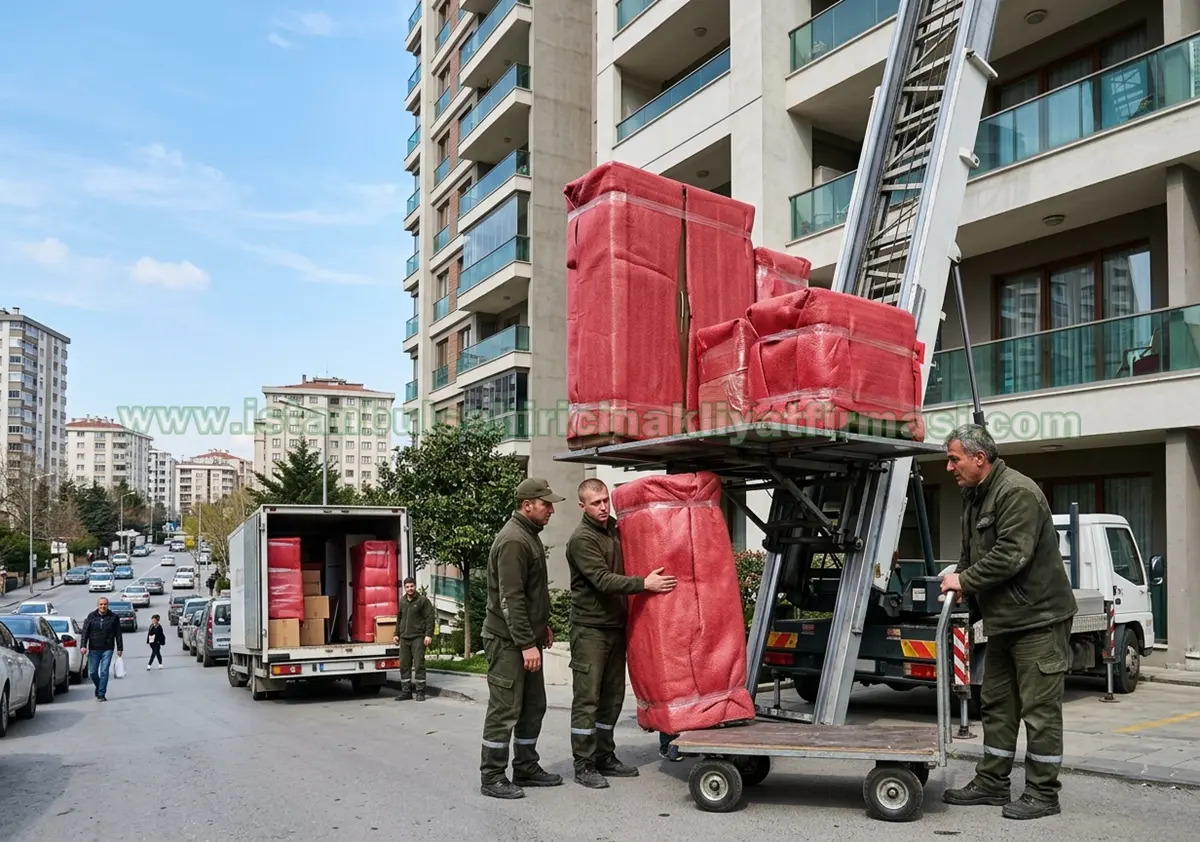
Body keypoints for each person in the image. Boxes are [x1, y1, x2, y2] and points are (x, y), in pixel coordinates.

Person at [939, 424, 1077, 821]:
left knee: (1040, 710)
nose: (949, 467)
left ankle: (1042, 793)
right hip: (1006, 621)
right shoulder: (975, 495)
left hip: (1038, 620)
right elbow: (971, 554)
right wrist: (962, 581)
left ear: (979, 459)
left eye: (954, 459)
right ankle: (993, 782)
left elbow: (1011, 556)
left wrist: (964, 581)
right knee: (998, 704)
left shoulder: (1016, 492)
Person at [566, 478, 677, 788]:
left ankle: (605, 755)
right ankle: (584, 764)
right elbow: (602, 579)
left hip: (615, 626)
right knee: (588, 699)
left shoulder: (614, 529)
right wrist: (644, 584)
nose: (603, 507)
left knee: (612, 698)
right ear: (582, 506)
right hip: (590, 630)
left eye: (605, 500)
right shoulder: (581, 540)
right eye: (595, 503)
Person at [479, 477, 566, 800]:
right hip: (507, 642)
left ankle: (526, 766)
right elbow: (510, 598)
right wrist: (526, 643)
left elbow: (530, 595)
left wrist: (540, 628)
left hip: (524, 638)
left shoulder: (527, 536)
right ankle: (492, 776)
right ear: (526, 505)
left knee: (533, 706)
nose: (551, 510)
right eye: (546, 505)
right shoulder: (514, 540)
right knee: (505, 708)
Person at [392, 576, 435, 701]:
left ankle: (420, 692)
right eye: (407, 587)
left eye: (412, 586)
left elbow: (430, 618)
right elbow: (399, 618)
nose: (410, 589)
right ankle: (406, 692)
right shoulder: (402, 601)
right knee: (404, 666)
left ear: (415, 586)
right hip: (404, 638)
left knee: (418, 665)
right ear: (404, 588)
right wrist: (396, 634)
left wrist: (429, 635)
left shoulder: (423, 601)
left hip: (418, 638)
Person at [79, 596, 124, 701]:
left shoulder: (113, 617)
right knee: (92, 672)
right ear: (97, 605)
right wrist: (83, 645)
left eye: (105, 604)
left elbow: (118, 633)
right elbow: (85, 632)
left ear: (108, 605)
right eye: (101, 604)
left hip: (107, 648)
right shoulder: (91, 616)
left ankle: (101, 694)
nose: (103, 606)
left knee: (104, 671)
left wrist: (120, 647)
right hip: (94, 648)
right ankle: (99, 687)